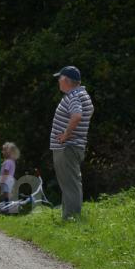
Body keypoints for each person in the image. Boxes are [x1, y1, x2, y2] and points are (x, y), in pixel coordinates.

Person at [50, 66, 94, 220]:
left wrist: (66, 135)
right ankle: (69, 216)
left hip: (67, 147)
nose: (58, 82)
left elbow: (76, 116)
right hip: (74, 145)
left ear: (67, 80)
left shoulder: (74, 96)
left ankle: (72, 217)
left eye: (59, 78)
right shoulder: (82, 94)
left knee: (70, 185)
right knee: (70, 184)